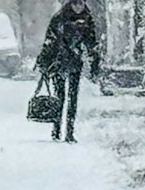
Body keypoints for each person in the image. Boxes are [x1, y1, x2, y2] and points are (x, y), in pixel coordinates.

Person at [36, 0, 101, 143]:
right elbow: (49, 41)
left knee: (73, 98)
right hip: (58, 62)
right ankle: (57, 127)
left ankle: (69, 131)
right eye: (75, 3)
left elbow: (91, 42)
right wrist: (44, 61)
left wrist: (94, 63)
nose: (78, 7)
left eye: (80, 3)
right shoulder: (60, 18)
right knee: (60, 97)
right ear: (70, 4)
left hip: (75, 62)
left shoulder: (87, 19)